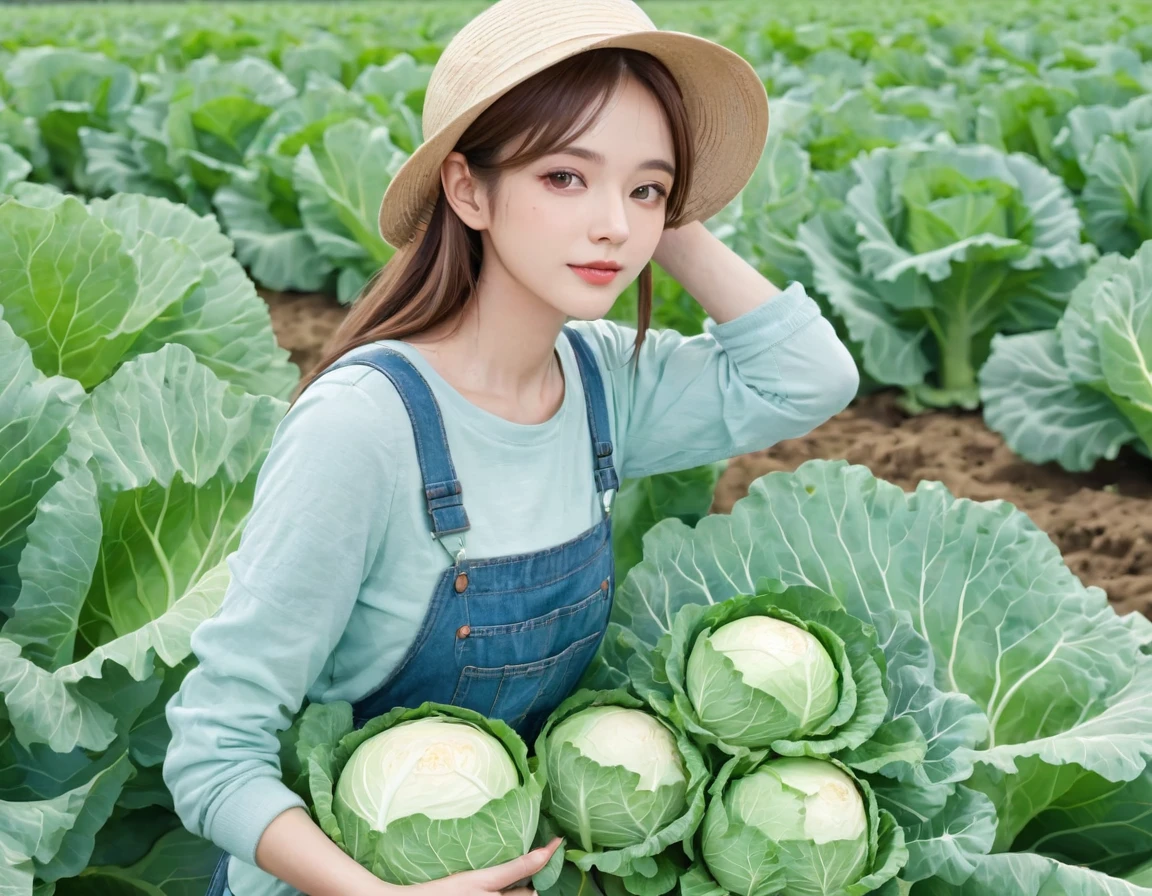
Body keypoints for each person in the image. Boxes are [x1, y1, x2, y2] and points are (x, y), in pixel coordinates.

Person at [162, 0, 860, 894]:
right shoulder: (364, 427)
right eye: (565, 177)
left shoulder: (605, 382)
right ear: (467, 189)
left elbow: (808, 378)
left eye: (647, 189)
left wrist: (660, 210)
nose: (613, 224)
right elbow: (214, 751)